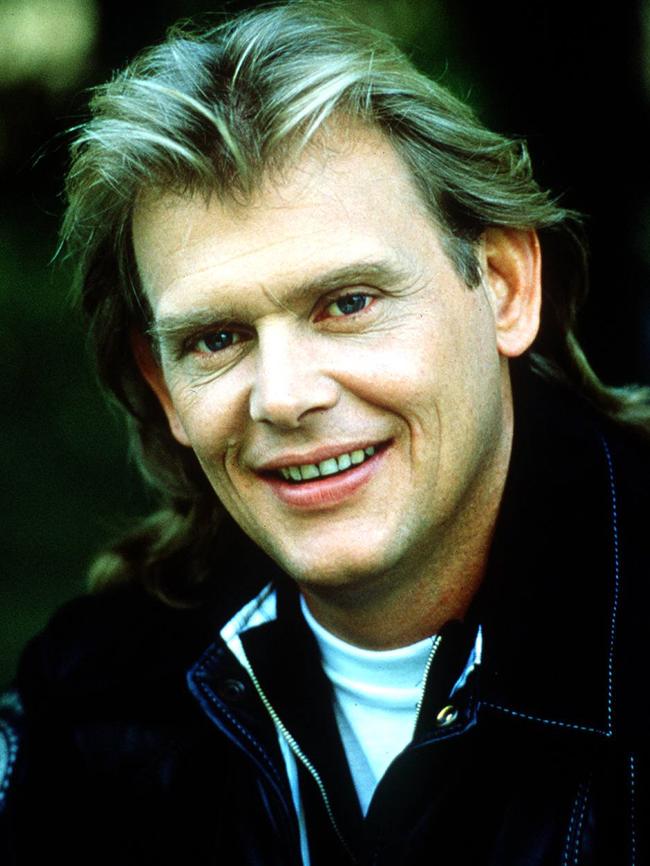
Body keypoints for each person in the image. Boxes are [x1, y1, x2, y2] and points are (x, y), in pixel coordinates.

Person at [2, 2, 649, 863]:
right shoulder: (91, 708)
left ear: (501, 285)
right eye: (216, 339)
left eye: (347, 303)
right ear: (163, 385)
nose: (284, 397)